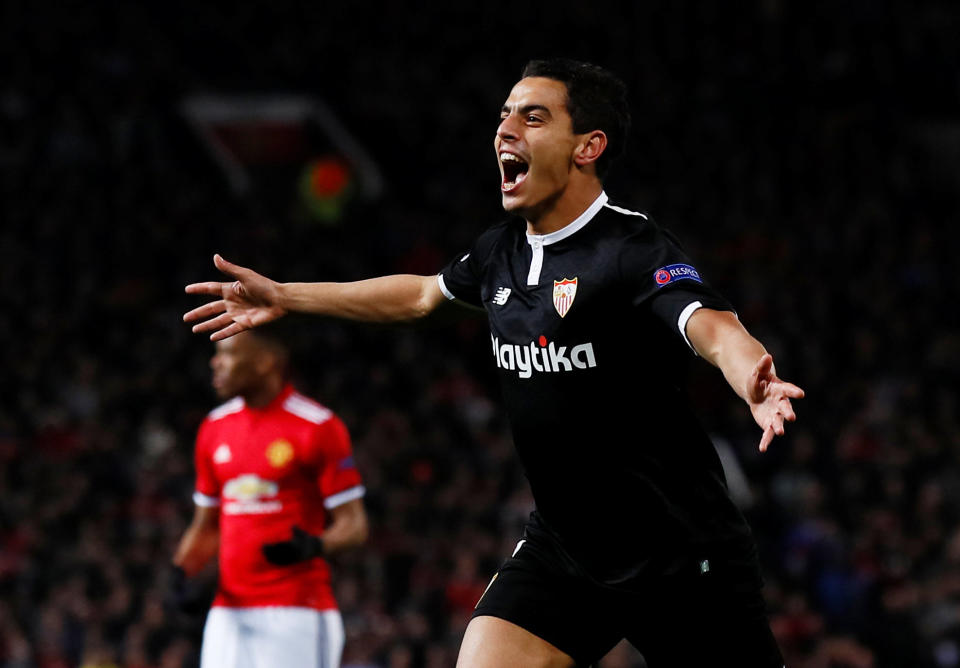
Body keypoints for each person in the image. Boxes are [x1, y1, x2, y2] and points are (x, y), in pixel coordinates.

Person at [183, 59, 804, 667]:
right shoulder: (499, 254)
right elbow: (423, 296)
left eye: (533, 118)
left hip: (679, 554)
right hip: (564, 551)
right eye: (504, 116)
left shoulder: (631, 248)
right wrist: (289, 297)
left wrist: (752, 372)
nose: (505, 131)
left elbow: (709, 325)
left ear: (588, 146)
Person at [171, 328, 368, 668]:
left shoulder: (317, 426)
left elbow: (355, 525)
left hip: (297, 612)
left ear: (265, 361)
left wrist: (313, 546)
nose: (215, 363)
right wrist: (179, 575)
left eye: (228, 354)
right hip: (228, 614)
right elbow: (205, 526)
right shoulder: (214, 427)